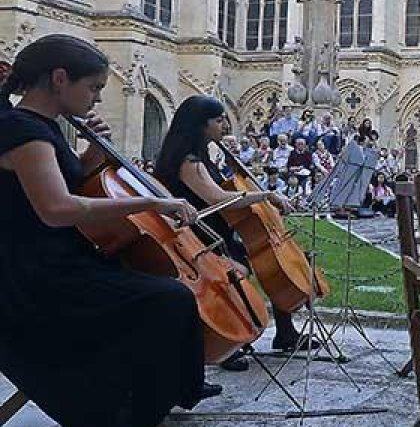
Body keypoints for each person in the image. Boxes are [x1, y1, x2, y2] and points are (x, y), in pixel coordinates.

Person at [0, 34, 216, 427]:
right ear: (60, 78)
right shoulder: (24, 132)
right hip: (33, 277)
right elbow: (58, 208)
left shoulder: (39, 127)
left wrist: (94, 154)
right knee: (166, 300)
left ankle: (130, 402)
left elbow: (67, 182)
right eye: (94, 87)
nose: (98, 98)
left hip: (57, 261)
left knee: (166, 296)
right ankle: (125, 411)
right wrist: (152, 202)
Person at [155, 95, 316, 362]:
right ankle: (227, 341)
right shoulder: (189, 161)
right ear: (200, 125)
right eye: (218, 121)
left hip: (218, 233)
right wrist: (265, 195)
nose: (225, 126)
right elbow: (217, 199)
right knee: (238, 271)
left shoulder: (202, 157)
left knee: (269, 262)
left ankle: (285, 333)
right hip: (200, 238)